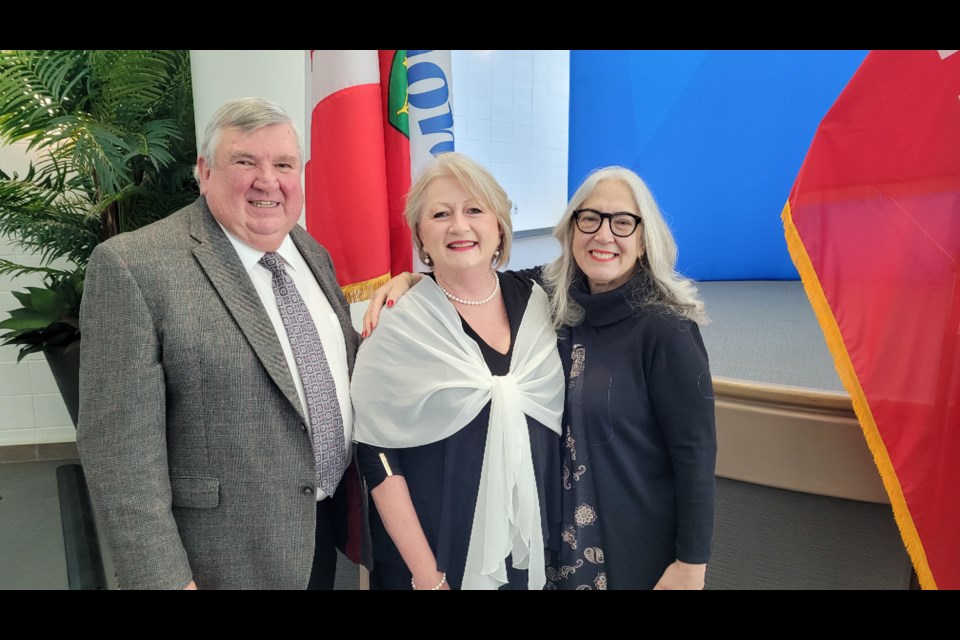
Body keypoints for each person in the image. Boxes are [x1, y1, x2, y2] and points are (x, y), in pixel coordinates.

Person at [363, 166, 716, 590]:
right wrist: (414, 280)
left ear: (644, 239)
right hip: (551, 546)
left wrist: (691, 565)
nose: (604, 235)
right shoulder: (552, 299)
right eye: (590, 219)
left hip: (628, 544)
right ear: (571, 230)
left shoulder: (666, 329)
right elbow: (467, 277)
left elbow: (695, 454)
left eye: (623, 222)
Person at [77, 97, 366, 590]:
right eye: (245, 161)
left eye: (283, 164)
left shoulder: (309, 250)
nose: (267, 180)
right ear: (204, 170)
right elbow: (119, 455)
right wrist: (164, 580)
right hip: (222, 561)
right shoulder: (134, 267)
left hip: (327, 533)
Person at [351, 152, 565, 590]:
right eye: (441, 214)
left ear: (499, 227)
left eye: (474, 210)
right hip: (433, 558)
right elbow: (376, 452)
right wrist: (428, 575)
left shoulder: (541, 301)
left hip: (524, 552)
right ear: (421, 237)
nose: (459, 226)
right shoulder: (400, 321)